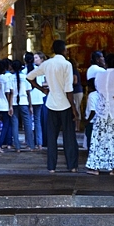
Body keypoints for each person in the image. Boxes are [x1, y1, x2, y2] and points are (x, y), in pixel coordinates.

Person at [27, 40, 78, 173]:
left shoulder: (47, 64)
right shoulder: (67, 64)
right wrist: (74, 109)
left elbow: (29, 77)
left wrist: (42, 89)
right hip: (65, 105)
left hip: (51, 104)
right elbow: (69, 89)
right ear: (63, 50)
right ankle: (72, 166)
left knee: (51, 137)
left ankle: (51, 167)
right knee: (69, 137)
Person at [9, 59, 33, 151]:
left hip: (14, 103)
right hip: (24, 102)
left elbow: (11, 93)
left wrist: (10, 106)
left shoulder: (10, 78)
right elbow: (28, 93)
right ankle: (30, 145)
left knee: (15, 124)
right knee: (28, 124)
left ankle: (17, 146)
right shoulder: (25, 77)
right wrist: (30, 106)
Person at [24, 52, 45, 150]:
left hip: (28, 98)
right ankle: (39, 143)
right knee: (37, 121)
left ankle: (29, 143)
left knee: (28, 122)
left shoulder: (24, 71)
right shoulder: (39, 70)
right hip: (38, 98)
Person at [83, 77, 98, 151]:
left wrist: (87, 120)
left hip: (91, 122)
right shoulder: (100, 93)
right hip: (98, 121)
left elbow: (93, 110)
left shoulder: (91, 95)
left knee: (90, 140)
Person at [70, 58, 84, 133]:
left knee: (76, 107)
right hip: (77, 91)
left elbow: (74, 81)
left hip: (76, 91)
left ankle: (77, 126)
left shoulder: (74, 71)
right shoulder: (75, 71)